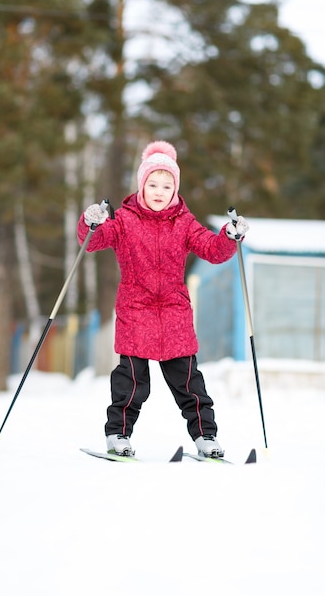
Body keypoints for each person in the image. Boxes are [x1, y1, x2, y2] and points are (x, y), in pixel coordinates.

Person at [77, 140, 249, 457]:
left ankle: (206, 438)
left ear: (175, 190)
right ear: (142, 186)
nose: (159, 191)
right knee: (131, 383)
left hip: (174, 314)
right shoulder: (125, 220)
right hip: (135, 311)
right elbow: (93, 241)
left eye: (167, 186)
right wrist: (91, 222)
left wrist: (227, 235)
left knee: (189, 384)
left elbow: (211, 249)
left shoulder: (184, 222)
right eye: (153, 184)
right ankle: (118, 435)